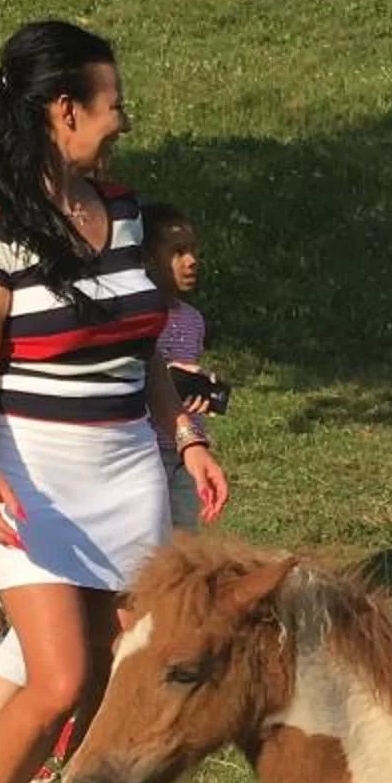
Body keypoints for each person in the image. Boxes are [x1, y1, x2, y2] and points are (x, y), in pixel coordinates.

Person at [0, 20, 226, 783]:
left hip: (126, 476)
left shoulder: (128, 211)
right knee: (58, 673)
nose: (124, 117)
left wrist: (182, 438)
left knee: (113, 689)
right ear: (66, 110)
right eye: (111, 101)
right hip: (28, 478)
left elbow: (147, 350)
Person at [143, 202, 220, 535]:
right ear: (146, 257)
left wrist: (202, 387)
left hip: (185, 452)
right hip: (147, 450)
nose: (191, 261)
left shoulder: (192, 318)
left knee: (183, 538)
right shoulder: (137, 315)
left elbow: (188, 367)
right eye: (177, 252)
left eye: (193, 250)